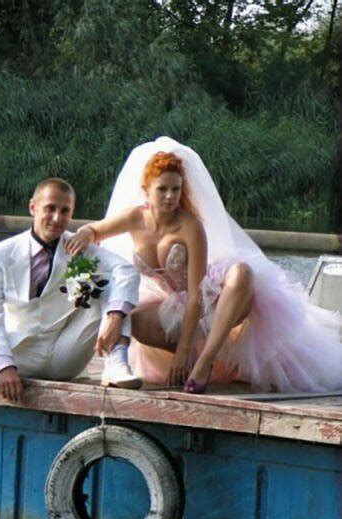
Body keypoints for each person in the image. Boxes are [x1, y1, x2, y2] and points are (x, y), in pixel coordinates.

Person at [0, 178, 141, 510]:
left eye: (65, 211)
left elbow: (126, 271)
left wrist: (112, 318)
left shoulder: (78, 248)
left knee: (113, 286)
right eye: (50, 208)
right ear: (33, 207)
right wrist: (4, 364)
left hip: (66, 351)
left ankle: (117, 360)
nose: (57, 217)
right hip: (19, 352)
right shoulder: (0, 255)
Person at [66, 137, 342, 393]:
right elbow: (95, 230)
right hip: (167, 300)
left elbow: (196, 293)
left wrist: (185, 347)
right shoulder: (135, 217)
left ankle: (205, 359)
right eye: (162, 189)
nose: (170, 197)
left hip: (202, 296)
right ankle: (190, 357)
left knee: (243, 273)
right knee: (134, 319)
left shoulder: (189, 226)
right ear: (146, 191)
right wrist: (83, 234)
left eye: (175, 189)